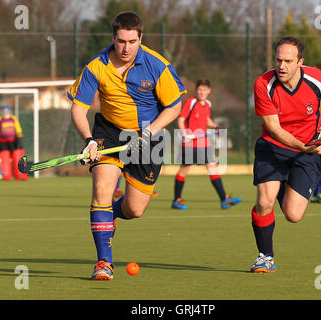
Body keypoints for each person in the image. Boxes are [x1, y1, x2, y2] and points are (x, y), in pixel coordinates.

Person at [67, 12, 186, 280]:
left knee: (135, 209)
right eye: (121, 41)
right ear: (113, 38)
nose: (126, 48)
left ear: (140, 38)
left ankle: (111, 215)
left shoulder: (157, 65)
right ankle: (104, 263)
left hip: (148, 137)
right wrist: (88, 139)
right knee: (102, 190)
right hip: (108, 132)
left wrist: (150, 131)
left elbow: (174, 106)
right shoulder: (96, 66)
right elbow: (78, 108)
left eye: (132, 41)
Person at [249, 36, 321, 273]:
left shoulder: (317, 78)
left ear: (301, 61)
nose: (281, 66)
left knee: (293, 214)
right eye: (278, 60)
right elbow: (274, 128)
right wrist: (301, 145)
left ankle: (285, 186)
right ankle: (265, 257)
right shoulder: (264, 83)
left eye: (288, 61)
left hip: (307, 153)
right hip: (273, 148)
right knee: (264, 202)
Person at [172, 79, 242, 210]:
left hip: (204, 144)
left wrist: (215, 126)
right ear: (196, 90)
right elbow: (181, 119)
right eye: (199, 89)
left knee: (213, 168)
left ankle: (224, 199)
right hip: (189, 144)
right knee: (184, 170)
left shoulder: (207, 104)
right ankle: (176, 200)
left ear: (209, 91)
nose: (202, 92)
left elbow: (206, 120)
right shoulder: (191, 102)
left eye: (204, 90)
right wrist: (185, 133)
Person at [0, 106, 29, 181]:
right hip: (3, 143)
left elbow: (18, 128)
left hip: (14, 142)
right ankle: (6, 176)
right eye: (4, 112)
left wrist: (20, 138)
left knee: (18, 158)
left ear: (10, 112)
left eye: (7, 112)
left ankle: (21, 175)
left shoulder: (13, 118)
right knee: (5, 159)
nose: (5, 113)